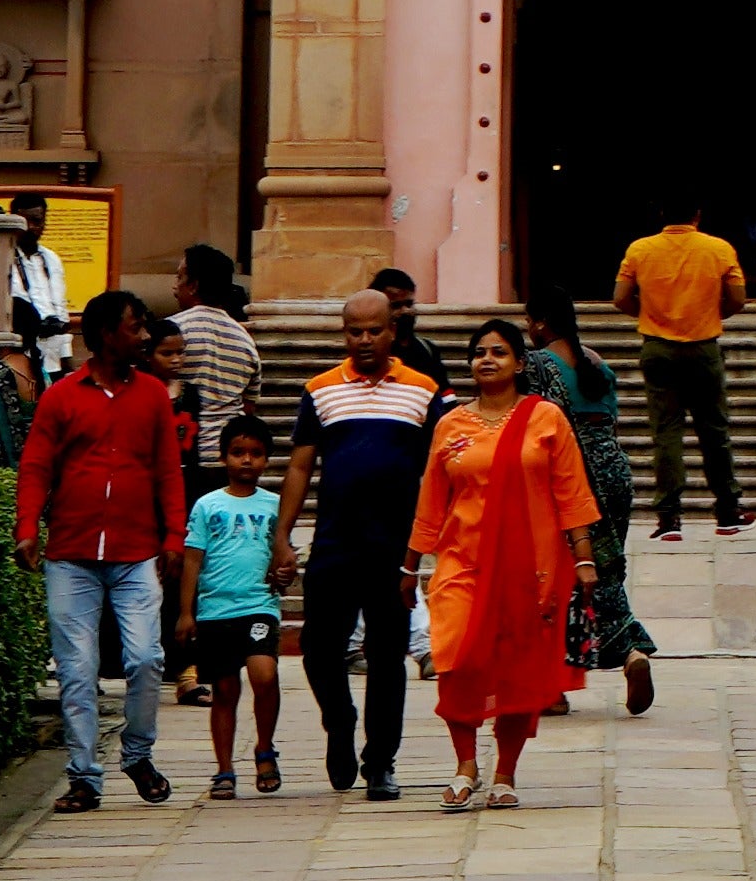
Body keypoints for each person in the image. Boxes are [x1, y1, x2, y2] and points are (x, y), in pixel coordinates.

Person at [412, 315, 601, 814]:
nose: (487, 359)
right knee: (455, 655)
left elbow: (570, 491)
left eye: (498, 351)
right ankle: (465, 766)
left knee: (516, 666)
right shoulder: (451, 424)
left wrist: (584, 558)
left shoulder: (545, 418)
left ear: (519, 363)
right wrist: (410, 565)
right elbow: (432, 500)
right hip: (462, 561)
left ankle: (504, 773)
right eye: (479, 352)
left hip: (529, 564)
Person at [12, 289, 188, 813]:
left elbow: (167, 471)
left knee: (146, 658)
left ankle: (137, 753)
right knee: (77, 668)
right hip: (72, 554)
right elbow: (36, 466)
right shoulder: (62, 397)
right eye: (136, 327)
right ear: (108, 335)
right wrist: (27, 527)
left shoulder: (152, 395)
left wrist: (173, 537)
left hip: (136, 552)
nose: (145, 336)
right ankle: (84, 776)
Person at [271, 285, 440, 802]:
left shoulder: (422, 391)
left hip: (394, 547)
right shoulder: (321, 390)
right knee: (319, 649)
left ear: (393, 331)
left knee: (387, 656)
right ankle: (339, 721)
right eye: (354, 332)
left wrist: (433, 537)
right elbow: (300, 465)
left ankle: (381, 762)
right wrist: (282, 535)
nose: (364, 340)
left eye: (374, 331)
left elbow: (437, 469)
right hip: (335, 542)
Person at [522, 298, 660, 713]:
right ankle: (627, 653)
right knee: (606, 566)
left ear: (541, 323)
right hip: (613, 468)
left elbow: (534, 423)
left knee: (562, 576)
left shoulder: (536, 365)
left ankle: (561, 680)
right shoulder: (596, 362)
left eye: (529, 321)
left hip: (572, 470)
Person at [613, 195, 752, 535]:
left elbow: (620, 297)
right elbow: (737, 299)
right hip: (704, 347)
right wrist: (713, 313)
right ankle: (727, 509)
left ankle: (669, 516)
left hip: (658, 348)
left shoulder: (640, 249)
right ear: (697, 215)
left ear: (663, 214)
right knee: (714, 431)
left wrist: (647, 314)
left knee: (666, 433)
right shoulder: (719, 249)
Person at [183, 413, 291, 798]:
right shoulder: (207, 505)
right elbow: (192, 559)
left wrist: (285, 572)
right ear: (223, 456)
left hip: (259, 605)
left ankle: (265, 748)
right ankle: (224, 768)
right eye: (238, 452)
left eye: (255, 453)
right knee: (225, 690)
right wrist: (186, 611)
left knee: (264, 674)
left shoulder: (277, 506)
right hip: (215, 611)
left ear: (267, 459)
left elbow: (284, 556)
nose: (246, 460)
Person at [165, 244, 266, 464]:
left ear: (193, 286)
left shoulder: (170, 333)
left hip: (180, 456)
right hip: (227, 459)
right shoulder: (245, 340)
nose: (174, 286)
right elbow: (248, 407)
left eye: (179, 277)